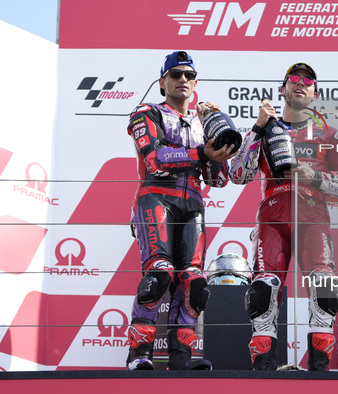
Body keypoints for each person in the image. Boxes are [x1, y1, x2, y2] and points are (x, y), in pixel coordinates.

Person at [229, 63, 338, 371]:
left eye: (308, 80)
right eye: (294, 79)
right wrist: (259, 127)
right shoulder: (266, 128)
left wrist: (313, 176)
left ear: (315, 93)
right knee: (263, 292)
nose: (301, 83)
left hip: (314, 217)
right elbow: (237, 174)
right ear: (282, 88)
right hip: (272, 218)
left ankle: (318, 369)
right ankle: (263, 369)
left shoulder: (328, 132)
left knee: (325, 290)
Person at [125, 50, 236, 370]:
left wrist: (220, 143)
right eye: (176, 75)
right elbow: (155, 160)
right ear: (163, 82)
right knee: (159, 274)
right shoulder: (146, 112)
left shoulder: (203, 123)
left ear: (196, 82)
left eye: (188, 75)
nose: (183, 79)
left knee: (194, 282)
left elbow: (218, 179)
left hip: (192, 205)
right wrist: (203, 151)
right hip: (155, 199)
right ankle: (139, 357)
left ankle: (182, 359)